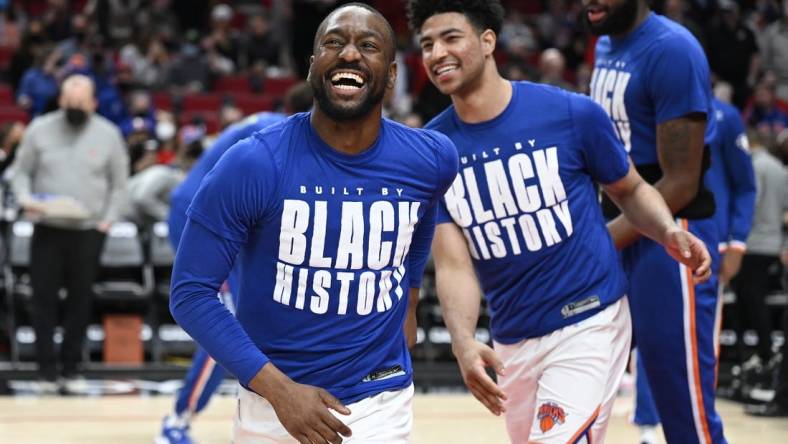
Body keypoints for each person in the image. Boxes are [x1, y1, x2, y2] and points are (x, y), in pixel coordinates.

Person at [407, 1, 711, 442]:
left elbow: (630, 189)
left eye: (451, 38)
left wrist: (666, 231)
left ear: (488, 41)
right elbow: (455, 264)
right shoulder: (432, 152)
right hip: (513, 338)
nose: (437, 53)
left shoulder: (571, 114)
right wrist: (463, 339)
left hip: (590, 321)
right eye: (427, 44)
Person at [169, 4, 459, 443]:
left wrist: (411, 299)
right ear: (311, 68)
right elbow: (190, 293)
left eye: (368, 45)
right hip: (272, 405)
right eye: (334, 42)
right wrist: (281, 392)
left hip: (380, 398)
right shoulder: (254, 162)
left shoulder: (431, 159)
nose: (349, 54)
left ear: (393, 74)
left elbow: (420, 221)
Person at [584, 0, 726, 442]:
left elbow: (681, 182)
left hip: (670, 233)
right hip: (619, 227)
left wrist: (599, 244)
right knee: (583, 378)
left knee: (680, 394)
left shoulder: (672, 50)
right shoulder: (607, 44)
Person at [157, 82, 314, 444]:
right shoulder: (278, 131)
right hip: (200, 219)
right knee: (223, 326)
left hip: (215, 218)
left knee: (245, 320)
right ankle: (176, 422)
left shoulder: (266, 123)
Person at [632, 96, 757, 443]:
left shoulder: (725, 115)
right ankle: (646, 422)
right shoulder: (645, 110)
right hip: (652, 235)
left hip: (705, 241)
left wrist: (737, 242)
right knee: (649, 335)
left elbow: (745, 185)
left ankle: (701, 423)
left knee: (696, 347)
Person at [9, 74, 129, 384]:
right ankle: (46, 370)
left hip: (89, 229)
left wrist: (108, 219)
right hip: (47, 226)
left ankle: (72, 368)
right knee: (42, 299)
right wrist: (25, 200)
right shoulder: (39, 129)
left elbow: (120, 184)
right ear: (61, 100)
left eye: (81, 101)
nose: (75, 106)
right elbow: (20, 173)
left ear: (93, 102)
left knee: (80, 300)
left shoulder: (109, 134)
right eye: (70, 101)